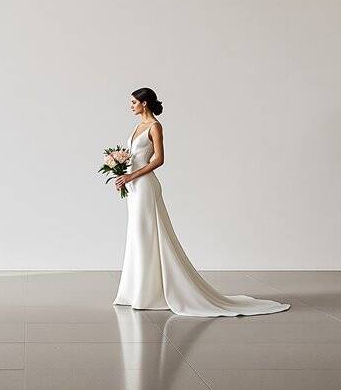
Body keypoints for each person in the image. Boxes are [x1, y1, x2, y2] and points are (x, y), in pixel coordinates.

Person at [112, 87, 291, 316]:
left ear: (144, 103)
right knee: (136, 235)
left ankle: (150, 292)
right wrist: (122, 174)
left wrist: (132, 176)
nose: (131, 106)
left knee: (147, 233)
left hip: (145, 186)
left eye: (133, 102)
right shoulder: (137, 126)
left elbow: (159, 159)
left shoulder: (155, 126)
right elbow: (133, 157)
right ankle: (135, 289)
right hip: (134, 188)